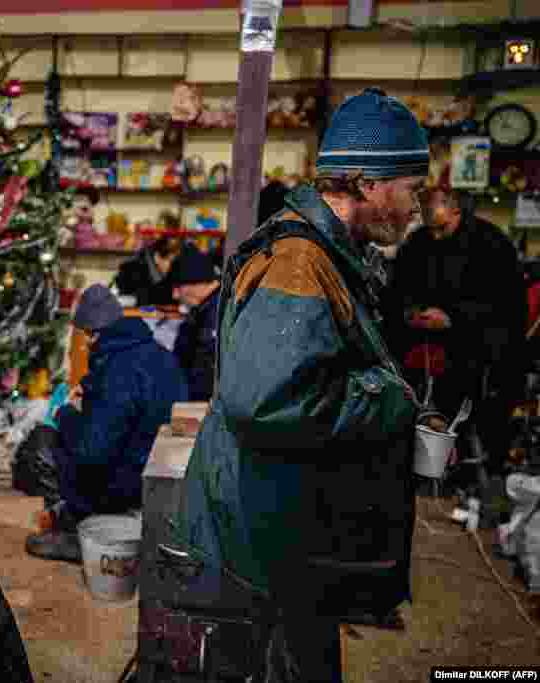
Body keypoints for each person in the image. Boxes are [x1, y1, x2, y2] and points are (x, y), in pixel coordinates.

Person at [174, 88, 426, 680]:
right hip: (267, 536)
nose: (417, 205)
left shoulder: (335, 253)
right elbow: (264, 401)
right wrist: (387, 399)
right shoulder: (299, 261)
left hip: (289, 522)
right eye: (412, 187)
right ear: (368, 183)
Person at [26, 284, 189, 563]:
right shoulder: (154, 351)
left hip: (124, 482)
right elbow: (127, 388)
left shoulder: (118, 374)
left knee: (43, 441)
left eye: (84, 336)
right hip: (160, 471)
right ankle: (78, 516)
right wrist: (89, 389)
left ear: (92, 332)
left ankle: (77, 533)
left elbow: (93, 452)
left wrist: (64, 415)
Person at [387, 186, 526, 474]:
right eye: (431, 229)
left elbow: (506, 306)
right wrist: (411, 313)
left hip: (479, 342)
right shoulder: (418, 242)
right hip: (423, 341)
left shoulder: (491, 244)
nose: (436, 236)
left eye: (442, 228)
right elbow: (398, 289)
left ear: (456, 211)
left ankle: (462, 465)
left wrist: (454, 319)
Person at [168, 243, 221, 402]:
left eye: (178, 287)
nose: (175, 296)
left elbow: (204, 374)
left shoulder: (216, 313)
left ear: (195, 283)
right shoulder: (204, 311)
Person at [111, 235, 181, 306]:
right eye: (168, 260)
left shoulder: (173, 267)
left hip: (163, 314)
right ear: (157, 255)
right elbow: (134, 298)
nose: (170, 265)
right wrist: (169, 294)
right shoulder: (130, 268)